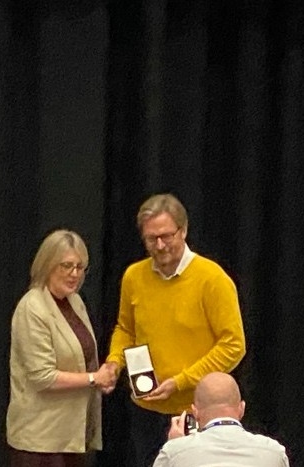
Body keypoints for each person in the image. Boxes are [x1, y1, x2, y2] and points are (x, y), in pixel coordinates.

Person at [106, 194, 246, 467]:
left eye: (166, 236)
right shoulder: (133, 276)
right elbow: (125, 328)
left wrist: (181, 381)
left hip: (197, 412)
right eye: (151, 239)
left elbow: (233, 345)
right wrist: (114, 362)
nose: (160, 245)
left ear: (183, 231)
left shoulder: (212, 278)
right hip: (145, 409)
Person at [7, 229, 114, 467]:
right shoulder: (32, 308)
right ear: (47, 264)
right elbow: (42, 377)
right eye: (66, 266)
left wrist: (102, 378)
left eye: (80, 267)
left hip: (72, 436)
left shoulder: (75, 301)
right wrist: (94, 379)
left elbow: (83, 358)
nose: (74, 274)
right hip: (40, 441)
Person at [153, 373, 288, 467]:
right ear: (242, 408)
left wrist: (176, 445)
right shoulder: (275, 453)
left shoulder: (173, 452)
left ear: (195, 412)